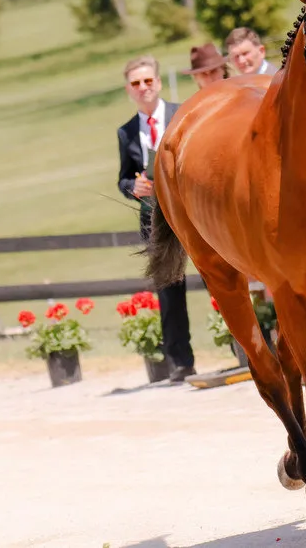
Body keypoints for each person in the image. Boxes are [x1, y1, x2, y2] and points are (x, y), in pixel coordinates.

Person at [117, 55, 196, 382]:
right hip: (155, 219)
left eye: (148, 80)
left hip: (193, 210)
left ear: (159, 82)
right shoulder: (126, 132)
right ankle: (180, 362)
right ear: (129, 90)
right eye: (136, 83)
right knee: (168, 289)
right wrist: (132, 187)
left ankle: (246, 349)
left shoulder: (183, 113)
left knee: (221, 277)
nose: (143, 87)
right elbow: (123, 178)